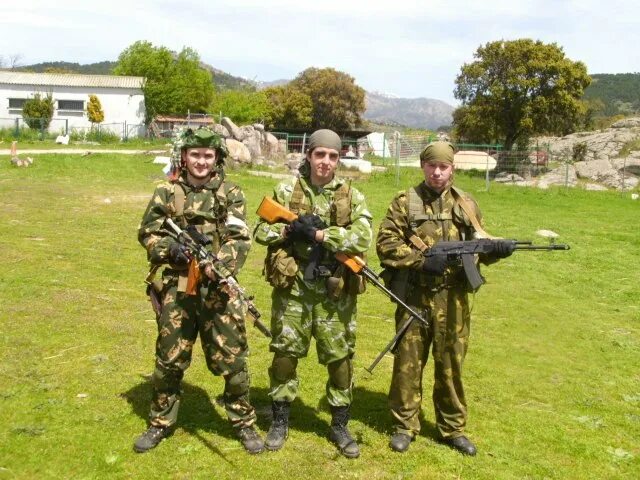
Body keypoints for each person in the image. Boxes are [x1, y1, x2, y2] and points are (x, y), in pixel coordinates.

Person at [376, 141, 515, 456]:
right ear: (423, 166)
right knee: (408, 363)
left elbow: (477, 247)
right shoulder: (405, 203)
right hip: (414, 295)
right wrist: (421, 261)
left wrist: (497, 250)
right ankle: (404, 426)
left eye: (444, 166)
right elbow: (385, 244)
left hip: (453, 299)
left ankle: (452, 428)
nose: (437, 172)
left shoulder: (466, 204)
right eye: (432, 166)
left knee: (450, 363)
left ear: (453, 167)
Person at [134, 127, 264, 454]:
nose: (202, 162)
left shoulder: (231, 192)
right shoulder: (166, 191)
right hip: (179, 287)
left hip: (218, 287)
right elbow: (148, 234)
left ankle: (243, 423)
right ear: (184, 156)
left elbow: (239, 238)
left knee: (233, 361)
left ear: (217, 157)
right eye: (195, 155)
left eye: (208, 155)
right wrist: (170, 250)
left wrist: (218, 265)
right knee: (169, 359)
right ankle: (160, 423)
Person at [254, 129, 372, 458]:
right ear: (309, 155)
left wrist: (321, 234)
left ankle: (339, 424)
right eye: (320, 155)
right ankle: (280, 420)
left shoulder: (352, 195)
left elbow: (362, 238)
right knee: (285, 355)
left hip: (335, 291)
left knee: (340, 359)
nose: (325, 162)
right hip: (293, 288)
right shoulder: (285, 189)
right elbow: (260, 230)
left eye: (332, 157)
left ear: (339, 159)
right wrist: (288, 229)